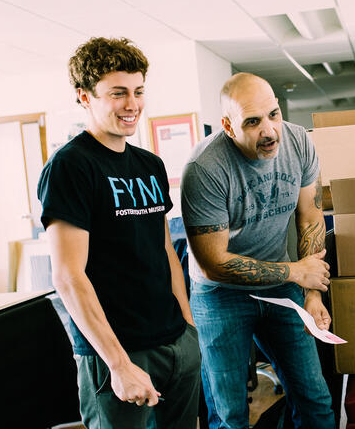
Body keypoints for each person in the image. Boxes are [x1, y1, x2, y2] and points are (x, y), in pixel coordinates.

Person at [37, 37, 200, 429]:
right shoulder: (71, 166)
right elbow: (67, 275)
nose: (132, 105)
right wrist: (118, 363)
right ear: (85, 97)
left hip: (175, 342)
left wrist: (188, 327)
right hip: (117, 353)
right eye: (118, 93)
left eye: (139, 91)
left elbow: (163, 249)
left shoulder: (150, 165)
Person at [180, 72, 335, 428]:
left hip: (282, 289)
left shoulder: (299, 143)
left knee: (316, 402)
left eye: (274, 114)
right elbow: (213, 265)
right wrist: (296, 272)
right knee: (230, 415)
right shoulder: (205, 169)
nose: (269, 131)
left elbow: (310, 216)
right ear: (228, 126)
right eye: (252, 122)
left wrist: (311, 295)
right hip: (220, 296)